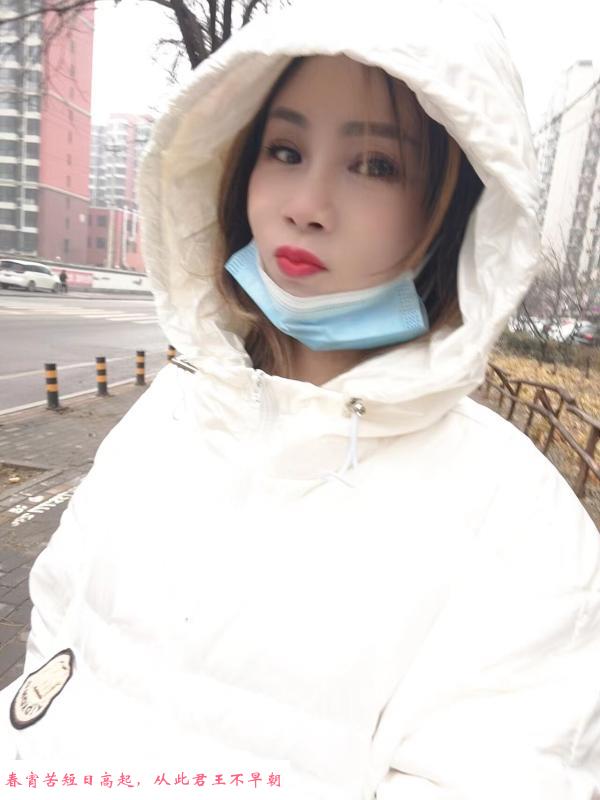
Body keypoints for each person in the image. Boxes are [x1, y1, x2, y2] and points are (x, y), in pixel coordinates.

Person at [1, 0, 599, 795]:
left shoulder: (518, 518)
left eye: (374, 165)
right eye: (284, 150)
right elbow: (52, 651)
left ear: (459, 212)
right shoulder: (172, 411)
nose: (305, 204)